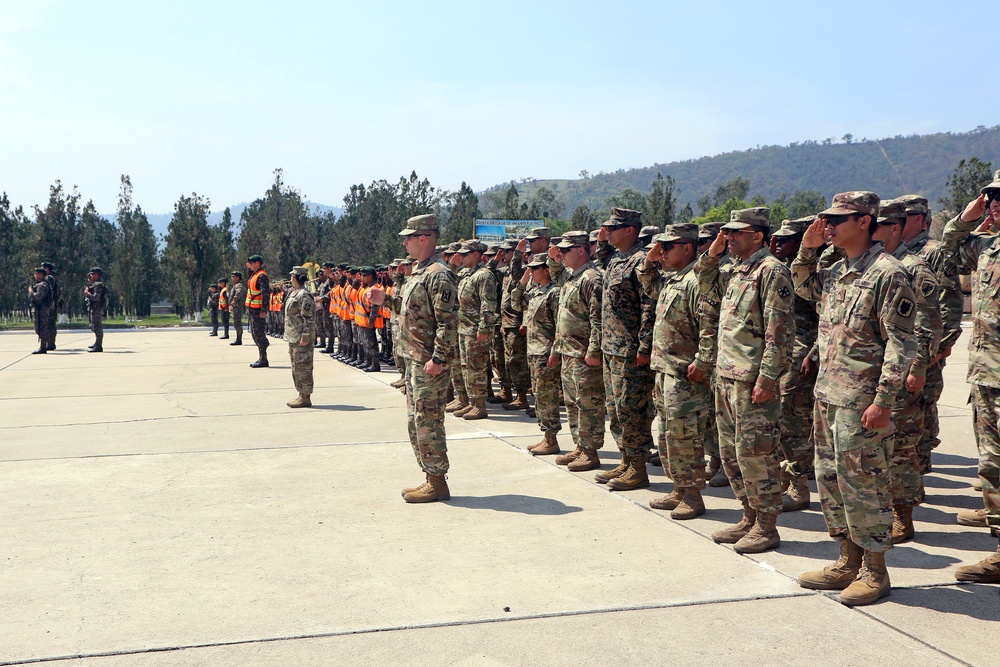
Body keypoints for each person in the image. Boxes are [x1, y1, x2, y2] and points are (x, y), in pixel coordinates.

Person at [793, 191, 917, 606]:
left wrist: (883, 400)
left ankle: (874, 571)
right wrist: (807, 251)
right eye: (826, 219)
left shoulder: (888, 273)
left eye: (836, 220)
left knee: (865, 485)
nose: (827, 226)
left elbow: (901, 343)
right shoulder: (836, 271)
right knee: (831, 482)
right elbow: (802, 288)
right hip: (829, 396)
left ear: (864, 222)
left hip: (862, 402)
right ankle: (847, 561)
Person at [696, 207, 793, 554]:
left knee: (756, 454)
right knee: (731, 453)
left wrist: (768, 378)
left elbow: (779, 331)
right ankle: (749, 515)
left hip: (752, 380)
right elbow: (703, 280)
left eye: (737, 232)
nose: (730, 237)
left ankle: (767, 525)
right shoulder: (736, 269)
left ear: (758, 236)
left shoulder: (771, 271)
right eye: (727, 231)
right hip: (727, 375)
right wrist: (713, 253)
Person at [369, 213, 458, 504]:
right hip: (414, 360)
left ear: (424, 238)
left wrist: (439, 359)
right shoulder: (419, 272)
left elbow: (448, 322)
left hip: (428, 362)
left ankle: (437, 482)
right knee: (416, 422)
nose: (404, 243)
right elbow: (414, 312)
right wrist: (385, 300)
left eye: (408, 237)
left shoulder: (438, 274)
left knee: (427, 422)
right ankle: (430, 477)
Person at [871, 200, 942, 543]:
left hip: (904, 370)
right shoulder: (874, 266)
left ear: (894, 229)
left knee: (902, 446)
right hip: (877, 368)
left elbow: (928, 324)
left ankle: (903, 515)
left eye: (878, 226)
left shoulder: (914, 268)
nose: (871, 232)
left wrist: (918, 368)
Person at [942, 174, 1000, 585]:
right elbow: (948, 249)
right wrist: (966, 218)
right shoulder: (988, 247)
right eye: (991, 195)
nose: (994, 202)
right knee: (991, 462)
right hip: (985, 373)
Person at [638, 224, 718, 518]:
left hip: (685, 373)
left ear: (687, 247)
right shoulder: (673, 279)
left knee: (685, 436)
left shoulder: (698, 281)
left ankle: (693, 496)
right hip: (665, 370)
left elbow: (709, 325)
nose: (662, 252)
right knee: (667, 435)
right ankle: (679, 488)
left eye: (668, 247)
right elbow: (648, 285)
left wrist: (703, 361)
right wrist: (650, 261)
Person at [898, 194, 964, 475]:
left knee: (922, 406)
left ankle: (918, 470)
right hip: (901, 346)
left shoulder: (934, 252)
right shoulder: (894, 251)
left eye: (905, 216)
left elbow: (950, 301)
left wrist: (942, 346)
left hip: (927, 344)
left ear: (919, 219)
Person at [593, 208, 657, 490]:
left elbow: (649, 306)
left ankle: (638, 468)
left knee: (633, 410)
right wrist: (602, 241)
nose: (607, 233)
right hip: (611, 348)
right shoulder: (616, 259)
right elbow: (601, 256)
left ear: (630, 230)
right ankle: (626, 460)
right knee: (616, 410)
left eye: (613, 228)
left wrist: (644, 346)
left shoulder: (641, 261)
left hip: (630, 351)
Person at [770, 216, 820, 512]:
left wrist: (813, 353)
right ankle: (786, 477)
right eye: (777, 238)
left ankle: (799, 486)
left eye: (786, 239)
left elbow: (827, 317)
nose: (778, 243)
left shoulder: (814, 271)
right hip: (785, 349)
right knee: (782, 417)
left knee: (794, 420)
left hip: (803, 350)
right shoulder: (782, 268)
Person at [550, 231, 605, 472]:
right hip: (569, 352)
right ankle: (580, 446)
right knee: (572, 403)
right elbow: (556, 275)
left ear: (581, 250)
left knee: (588, 404)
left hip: (583, 354)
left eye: (565, 250)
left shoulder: (592, 278)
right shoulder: (573, 277)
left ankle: (590, 451)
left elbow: (598, 318)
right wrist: (557, 349)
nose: (561, 254)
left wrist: (594, 351)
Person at [513, 253, 562, 455]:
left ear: (546, 270)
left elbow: (560, 326)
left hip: (546, 351)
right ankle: (546, 436)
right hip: (534, 350)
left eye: (534, 268)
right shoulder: (535, 292)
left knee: (547, 396)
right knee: (539, 396)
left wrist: (555, 352)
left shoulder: (554, 293)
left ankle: (551, 439)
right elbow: (515, 303)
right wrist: (522, 282)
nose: (530, 271)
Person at [455, 240, 498, 420]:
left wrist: (484, 328)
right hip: (464, 328)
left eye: (465, 254)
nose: (461, 257)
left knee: (477, 368)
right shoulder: (466, 274)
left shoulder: (484, 275)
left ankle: (480, 406)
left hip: (475, 330)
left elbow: (488, 304)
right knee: (466, 368)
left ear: (475, 254)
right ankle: (472, 402)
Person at [284, 267, 316, 408]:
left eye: (293, 276)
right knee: (296, 367)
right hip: (293, 336)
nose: (291, 278)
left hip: (301, 338)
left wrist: (305, 336)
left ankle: (305, 397)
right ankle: (301, 394)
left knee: (304, 367)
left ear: (296, 278)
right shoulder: (294, 293)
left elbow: (309, 318)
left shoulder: (304, 295)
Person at [245, 255, 270, 367]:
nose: (249, 265)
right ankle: (261, 357)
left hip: (258, 310)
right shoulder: (254, 275)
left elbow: (265, 294)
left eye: (251, 263)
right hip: (253, 310)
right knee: (255, 334)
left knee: (259, 334)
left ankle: (263, 359)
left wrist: (264, 310)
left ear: (257, 263)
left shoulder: (262, 276)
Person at [27, 267, 52, 354]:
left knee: (42, 328)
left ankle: (43, 347)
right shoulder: (38, 284)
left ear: (41, 274)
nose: (35, 275)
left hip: (41, 310)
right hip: (39, 310)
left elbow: (38, 297)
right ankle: (43, 346)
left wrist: (31, 292)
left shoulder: (42, 285)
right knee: (39, 328)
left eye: (36, 273)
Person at [83, 267, 107, 352]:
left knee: (97, 327)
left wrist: (87, 293)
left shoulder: (98, 285)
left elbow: (96, 297)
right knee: (94, 326)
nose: (90, 276)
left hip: (97, 309)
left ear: (97, 275)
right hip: (94, 308)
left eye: (92, 274)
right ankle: (97, 343)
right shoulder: (95, 284)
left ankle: (98, 346)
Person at [41, 261, 60, 351]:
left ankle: (49, 343)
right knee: (51, 324)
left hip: (49, 305)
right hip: (53, 304)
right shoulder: (53, 278)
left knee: (48, 324)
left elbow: (48, 292)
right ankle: (51, 343)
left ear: (47, 269)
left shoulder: (48, 278)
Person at [229, 271, 245, 346]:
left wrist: (234, 300)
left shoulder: (239, 285)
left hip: (237, 308)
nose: (232, 278)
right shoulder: (235, 286)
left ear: (238, 277)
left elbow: (239, 293)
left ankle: (239, 339)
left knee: (237, 323)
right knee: (236, 323)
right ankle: (238, 339)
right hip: (235, 308)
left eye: (233, 277)